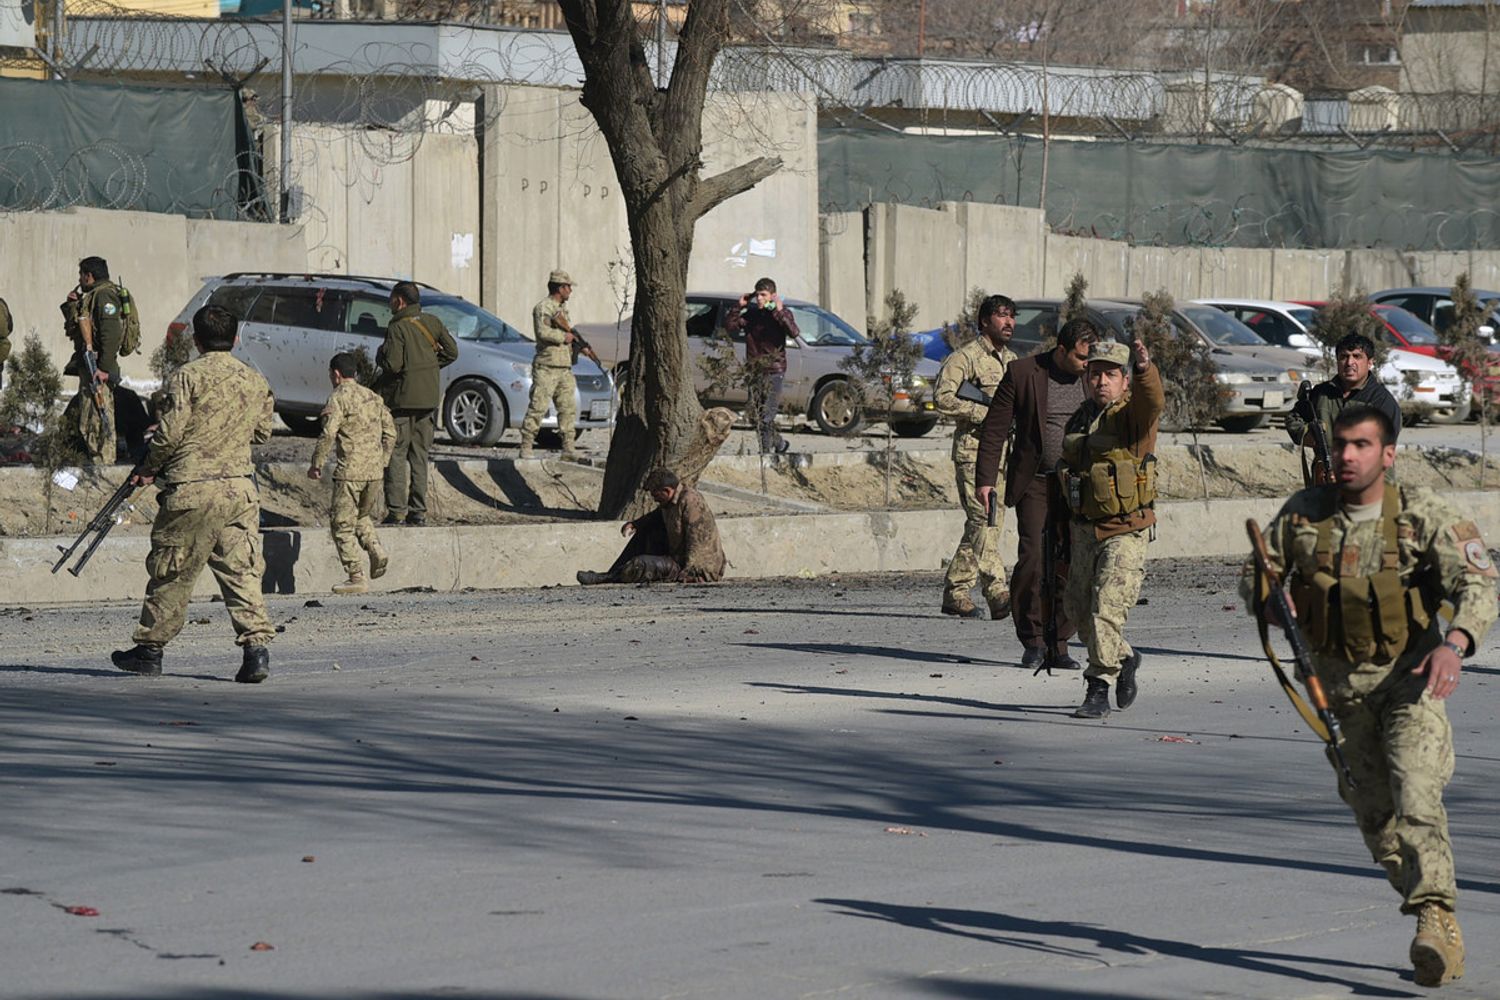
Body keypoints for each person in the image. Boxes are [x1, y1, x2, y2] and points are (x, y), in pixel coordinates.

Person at [1242, 404, 1496, 988]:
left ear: (1388, 454)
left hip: (1411, 684)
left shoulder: (1421, 514)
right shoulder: (1302, 517)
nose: (1348, 455)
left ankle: (1433, 918)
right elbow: (1259, 578)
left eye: (1361, 445)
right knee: (1378, 821)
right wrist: (1271, 601)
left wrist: (1454, 644)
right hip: (1339, 695)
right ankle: (1433, 912)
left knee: (1416, 793)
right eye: (1340, 445)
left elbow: (1478, 582)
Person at [111, 304, 278, 683]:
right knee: (242, 572)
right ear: (235, 339)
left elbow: (168, 435)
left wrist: (148, 468)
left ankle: (150, 650)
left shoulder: (185, 378)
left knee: (173, 569)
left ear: (196, 339)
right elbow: (262, 433)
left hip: (192, 490)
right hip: (239, 489)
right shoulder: (255, 381)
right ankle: (256, 651)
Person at [975, 316, 1100, 670]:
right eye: (1080, 358)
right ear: (1061, 350)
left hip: (1078, 484)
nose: (1087, 366)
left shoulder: (1094, 377)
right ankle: (1031, 638)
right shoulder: (1022, 373)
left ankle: (1058, 643)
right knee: (1033, 557)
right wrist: (985, 480)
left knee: (1072, 561)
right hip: (1035, 481)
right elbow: (995, 429)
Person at [1057, 339, 1163, 719]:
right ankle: (1127, 656)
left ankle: (1098, 686)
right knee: (1078, 609)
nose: (1102, 381)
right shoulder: (1081, 417)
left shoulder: (1133, 416)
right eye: (1095, 373)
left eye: (1111, 374)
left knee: (1106, 610)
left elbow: (1152, 401)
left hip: (1125, 530)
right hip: (1085, 529)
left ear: (1123, 381)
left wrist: (1144, 369)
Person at [934, 294, 1019, 620]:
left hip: (1002, 454)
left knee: (987, 525)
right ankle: (998, 590)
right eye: (1001, 315)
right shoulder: (964, 358)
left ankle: (956, 591)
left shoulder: (1011, 360)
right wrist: (986, 413)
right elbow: (942, 397)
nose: (1008, 322)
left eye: (1011, 316)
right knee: (984, 519)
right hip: (973, 452)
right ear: (984, 321)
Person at [309, 352, 397, 595]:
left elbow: (328, 434)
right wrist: (384, 461)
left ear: (336, 374)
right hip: (375, 473)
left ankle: (355, 575)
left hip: (350, 473)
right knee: (360, 516)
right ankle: (376, 548)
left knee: (341, 525)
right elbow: (391, 433)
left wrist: (316, 463)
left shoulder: (338, 398)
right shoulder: (372, 397)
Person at [376, 281, 457, 527]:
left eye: (392, 299)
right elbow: (452, 352)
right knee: (420, 456)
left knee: (396, 455)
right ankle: (418, 512)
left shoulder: (397, 327)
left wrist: (380, 354)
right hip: (429, 401)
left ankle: (397, 512)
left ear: (400, 301)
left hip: (402, 401)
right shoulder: (431, 321)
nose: (390, 303)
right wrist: (428, 368)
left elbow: (392, 364)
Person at [1286, 333, 1402, 483]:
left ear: (1370, 362)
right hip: (1325, 482)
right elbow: (1294, 418)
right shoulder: (1321, 394)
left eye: (1357, 356)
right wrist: (1306, 434)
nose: (1349, 362)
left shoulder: (1381, 401)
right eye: (1344, 356)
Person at [576, 468, 726, 584]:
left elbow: (699, 541)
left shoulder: (691, 501)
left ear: (667, 491)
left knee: (640, 565)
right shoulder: (671, 502)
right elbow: (657, 516)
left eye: (656, 495)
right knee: (644, 533)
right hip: (677, 557)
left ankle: (607, 579)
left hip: (699, 569)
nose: (655, 500)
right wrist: (635, 524)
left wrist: (692, 573)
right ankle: (609, 575)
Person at [725, 277, 800, 455]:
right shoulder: (752, 315)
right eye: (757, 294)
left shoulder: (782, 313)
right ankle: (779, 444)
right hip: (755, 371)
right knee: (756, 416)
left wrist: (779, 311)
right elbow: (730, 326)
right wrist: (739, 306)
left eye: (763, 295)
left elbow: (794, 332)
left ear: (772, 296)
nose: (758, 298)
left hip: (774, 370)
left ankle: (765, 454)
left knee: (767, 416)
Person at [519, 270, 582, 461]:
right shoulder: (543, 308)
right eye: (568, 287)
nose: (570, 290)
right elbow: (543, 332)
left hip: (564, 368)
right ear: (560, 288)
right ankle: (527, 444)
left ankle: (568, 447)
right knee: (538, 406)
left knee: (567, 409)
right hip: (547, 367)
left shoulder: (562, 310)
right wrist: (564, 337)